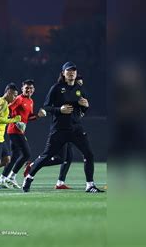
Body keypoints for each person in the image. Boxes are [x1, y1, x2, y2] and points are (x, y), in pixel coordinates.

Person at [22, 62, 104, 193]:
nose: (71, 73)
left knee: (89, 154)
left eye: (73, 71)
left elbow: (82, 110)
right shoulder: (56, 88)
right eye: (68, 71)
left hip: (76, 129)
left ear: (76, 74)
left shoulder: (79, 89)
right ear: (63, 73)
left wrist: (86, 106)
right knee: (47, 156)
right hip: (59, 129)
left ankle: (90, 185)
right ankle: (29, 177)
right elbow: (46, 107)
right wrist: (59, 109)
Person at [0, 79, 46, 189]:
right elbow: (7, 109)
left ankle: (2, 179)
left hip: (19, 131)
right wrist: (14, 120)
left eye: (31, 88)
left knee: (15, 157)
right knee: (27, 154)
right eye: (26, 88)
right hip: (14, 130)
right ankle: (11, 177)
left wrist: (38, 115)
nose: (29, 90)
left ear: (34, 90)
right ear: (22, 88)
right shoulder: (18, 99)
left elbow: (28, 117)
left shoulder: (30, 101)